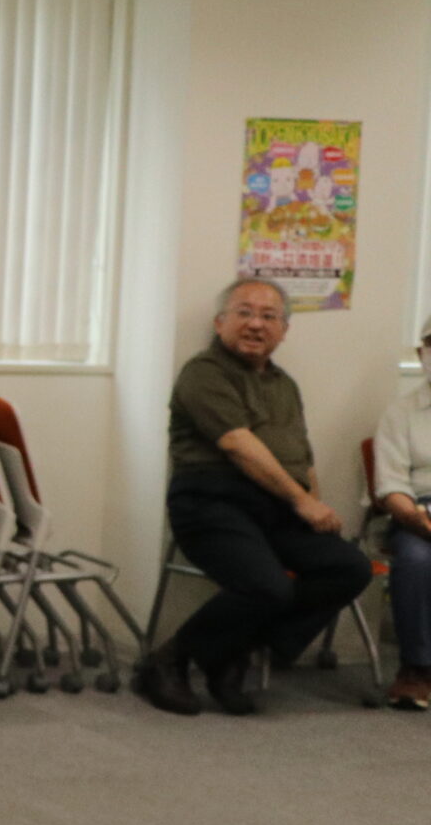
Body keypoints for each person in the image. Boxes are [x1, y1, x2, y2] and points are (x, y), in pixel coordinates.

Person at [136, 279, 372, 716]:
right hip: (211, 503)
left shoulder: (284, 384)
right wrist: (302, 503)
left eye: (268, 316)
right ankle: (168, 660)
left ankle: (234, 651)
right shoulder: (204, 373)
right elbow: (238, 445)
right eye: (244, 312)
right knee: (268, 587)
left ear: (284, 330)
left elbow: (300, 455)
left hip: (277, 506)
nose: (256, 324)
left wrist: (313, 504)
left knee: (349, 567)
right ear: (219, 322)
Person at [370, 317, 431, 709]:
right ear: (422, 353)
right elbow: (391, 486)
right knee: (416, 558)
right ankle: (417, 668)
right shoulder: (401, 413)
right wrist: (418, 521)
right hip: (418, 511)